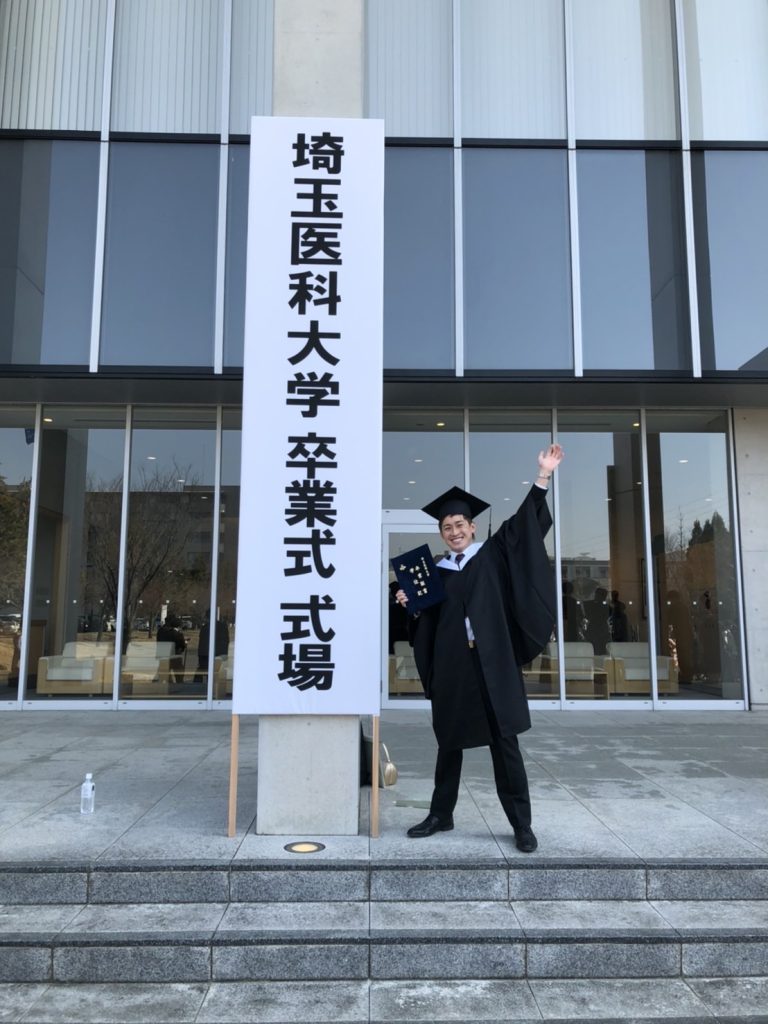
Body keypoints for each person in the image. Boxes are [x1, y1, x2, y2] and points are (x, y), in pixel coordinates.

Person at [396, 444, 563, 853]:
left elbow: (523, 528)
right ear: (441, 534)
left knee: (505, 745)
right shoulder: (435, 573)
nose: (454, 532)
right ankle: (441, 814)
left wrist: (542, 476)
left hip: (492, 663)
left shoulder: (492, 555)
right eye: (446, 527)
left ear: (472, 527)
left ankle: (521, 825)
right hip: (453, 665)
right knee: (449, 744)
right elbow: (425, 622)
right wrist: (409, 602)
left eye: (459, 524)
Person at [157, 613, 187, 685]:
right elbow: (181, 645)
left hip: (163, 655)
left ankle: (169, 686)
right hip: (174, 656)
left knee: (166, 676)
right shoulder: (175, 632)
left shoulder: (160, 631)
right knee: (179, 675)